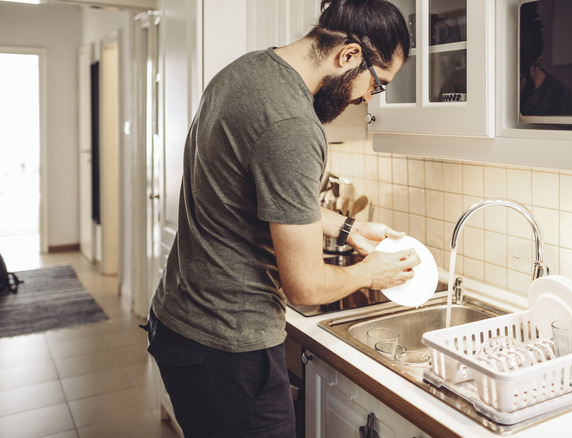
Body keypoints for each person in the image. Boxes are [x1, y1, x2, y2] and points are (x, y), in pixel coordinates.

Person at [142, 1, 416, 436]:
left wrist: (349, 228)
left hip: (181, 320)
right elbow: (305, 284)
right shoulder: (293, 124)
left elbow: (249, 196)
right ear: (348, 55)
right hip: (227, 343)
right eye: (376, 84)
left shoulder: (247, 70)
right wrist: (370, 272)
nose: (367, 98)